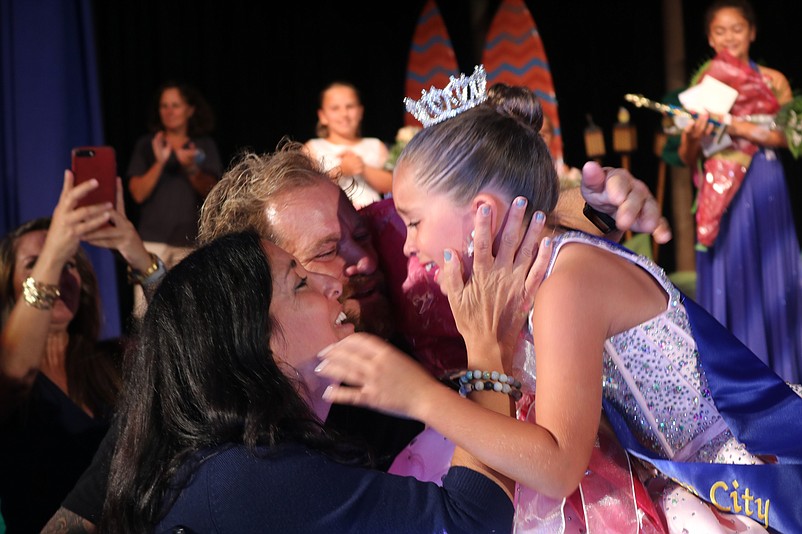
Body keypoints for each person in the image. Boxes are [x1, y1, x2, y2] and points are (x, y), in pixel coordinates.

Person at [42, 142, 671, 532]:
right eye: (318, 257)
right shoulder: (192, 427)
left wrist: (594, 206)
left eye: (360, 236)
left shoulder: (395, 342)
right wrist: (490, 356)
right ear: (241, 306)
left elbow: (481, 214)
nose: (360, 263)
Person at [317, 74, 802, 533]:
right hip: (666, 472)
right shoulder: (541, 268)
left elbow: (556, 467)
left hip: (730, 480)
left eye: (414, 221)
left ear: (482, 210)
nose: (407, 245)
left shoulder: (563, 283)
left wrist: (419, 395)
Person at [100, 230, 527, 533]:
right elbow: (471, 521)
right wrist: (486, 347)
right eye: (301, 281)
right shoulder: (244, 477)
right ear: (253, 341)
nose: (333, 284)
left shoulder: (232, 465)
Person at [0, 172, 163, 533]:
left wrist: (136, 254)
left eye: (69, 264)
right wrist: (56, 250)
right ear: (9, 290)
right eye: (35, 263)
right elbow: (12, 374)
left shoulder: (116, 356)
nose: (59, 274)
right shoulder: (10, 375)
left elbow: (188, 342)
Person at [678, 0, 802, 383]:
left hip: (765, 181)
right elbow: (687, 155)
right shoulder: (704, 84)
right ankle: (735, 376)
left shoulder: (773, 80)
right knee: (731, 266)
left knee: (772, 266)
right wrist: (695, 137)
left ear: (752, 32)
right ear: (710, 38)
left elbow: (793, 135)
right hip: (722, 189)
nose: (729, 37)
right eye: (720, 30)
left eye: (736, 28)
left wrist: (738, 126)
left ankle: (785, 372)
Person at [127, 81, 223, 315]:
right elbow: (138, 193)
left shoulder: (203, 146)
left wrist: (191, 169)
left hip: (189, 243)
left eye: (175, 105)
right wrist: (160, 161)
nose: (169, 111)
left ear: (190, 110)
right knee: (147, 313)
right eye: (164, 106)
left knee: (189, 311)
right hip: (152, 243)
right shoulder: (147, 146)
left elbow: (214, 194)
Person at [303, 81, 393, 209]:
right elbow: (306, 189)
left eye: (350, 106)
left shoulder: (375, 145)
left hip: (375, 218)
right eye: (335, 108)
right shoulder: (312, 148)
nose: (344, 114)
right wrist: (341, 170)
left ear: (360, 111)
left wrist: (362, 168)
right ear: (322, 116)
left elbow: (392, 184)